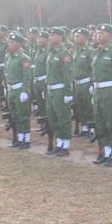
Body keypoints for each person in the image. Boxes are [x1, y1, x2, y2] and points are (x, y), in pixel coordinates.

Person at [90, 24, 112, 166]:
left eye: (102, 33)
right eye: (98, 33)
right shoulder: (96, 52)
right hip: (98, 92)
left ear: (110, 36)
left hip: (109, 92)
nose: (98, 35)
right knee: (100, 124)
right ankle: (105, 153)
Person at [45, 27, 74, 156]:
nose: (50, 38)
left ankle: (65, 146)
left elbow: (67, 75)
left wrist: (68, 92)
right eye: (50, 35)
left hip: (60, 90)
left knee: (63, 118)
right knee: (53, 118)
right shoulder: (51, 52)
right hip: (50, 90)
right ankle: (59, 143)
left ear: (60, 37)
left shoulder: (64, 54)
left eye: (53, 35)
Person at [5, 31, 34, 149]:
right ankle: (19, 138)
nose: (10, 44)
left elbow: (27, 77)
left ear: (19, 44)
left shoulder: (24, 58)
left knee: (23, 116)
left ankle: (26, 140)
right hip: (11, 90)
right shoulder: (9, 57)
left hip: (19, 90)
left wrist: (24, 91)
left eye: (13, 42)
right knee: (15, 116)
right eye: (10, 42)